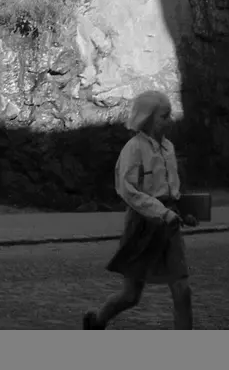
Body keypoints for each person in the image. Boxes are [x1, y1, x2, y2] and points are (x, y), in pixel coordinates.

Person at [82, 90, 200, 331]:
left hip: (169, 225)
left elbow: (172, 188)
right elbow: (128, 190)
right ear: (147, 118)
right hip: (143, 225)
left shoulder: (169, 148)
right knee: (131, 295)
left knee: (182, 289)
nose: (168, 121)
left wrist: (184, 211)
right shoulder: (133, 149)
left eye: (169, 116)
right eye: (163, 116)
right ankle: (97, 321)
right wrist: (160, 212)